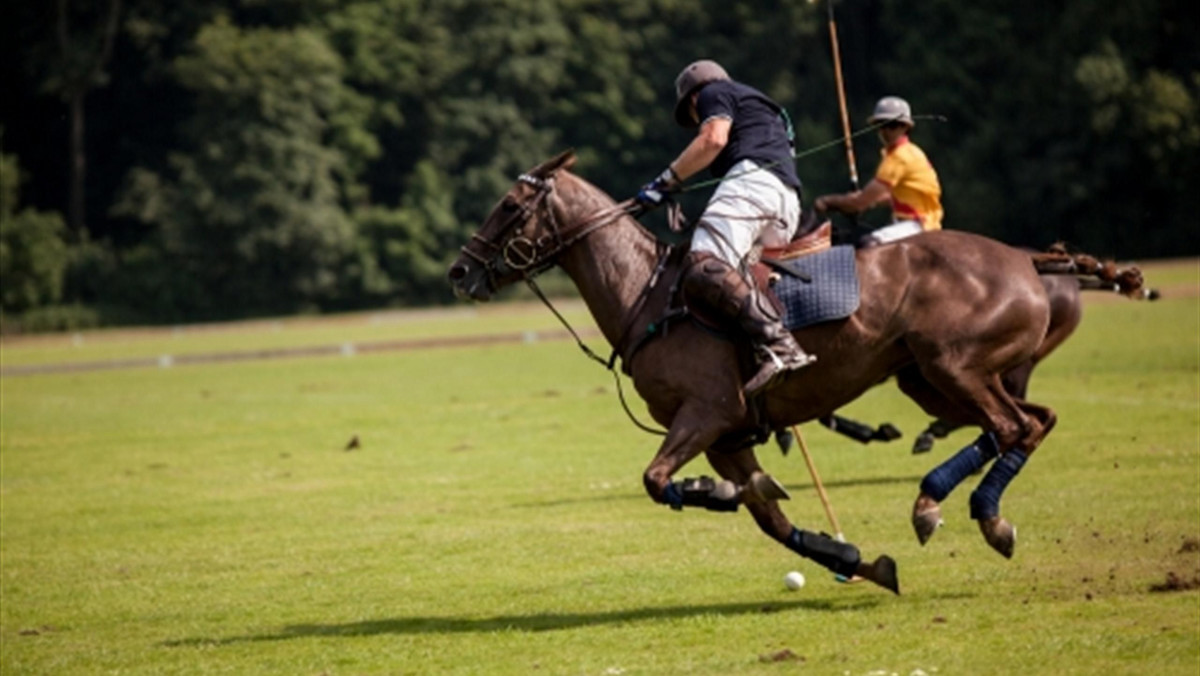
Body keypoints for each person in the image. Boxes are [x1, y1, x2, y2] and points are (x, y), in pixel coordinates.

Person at [636, 59, 816, 397]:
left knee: (703, 263)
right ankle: (754, 357)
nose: (696, 119)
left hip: (754, 185)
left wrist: (664, 181)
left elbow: (712, 140)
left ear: (693, 98)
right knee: (737, 281)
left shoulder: (713, 93)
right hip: (787, 202)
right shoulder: (759, 107)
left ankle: (781, 346)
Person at [815, 96, 943, 247]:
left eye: (892, 125)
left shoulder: (900, 158)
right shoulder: (909, 151)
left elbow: (859, 204)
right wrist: (865, 201)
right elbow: (891, 196)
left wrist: (828, 202)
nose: (886, 131)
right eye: (881, 125)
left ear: (905, 127)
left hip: (918, 224)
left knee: (868, 245)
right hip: (910, 222)